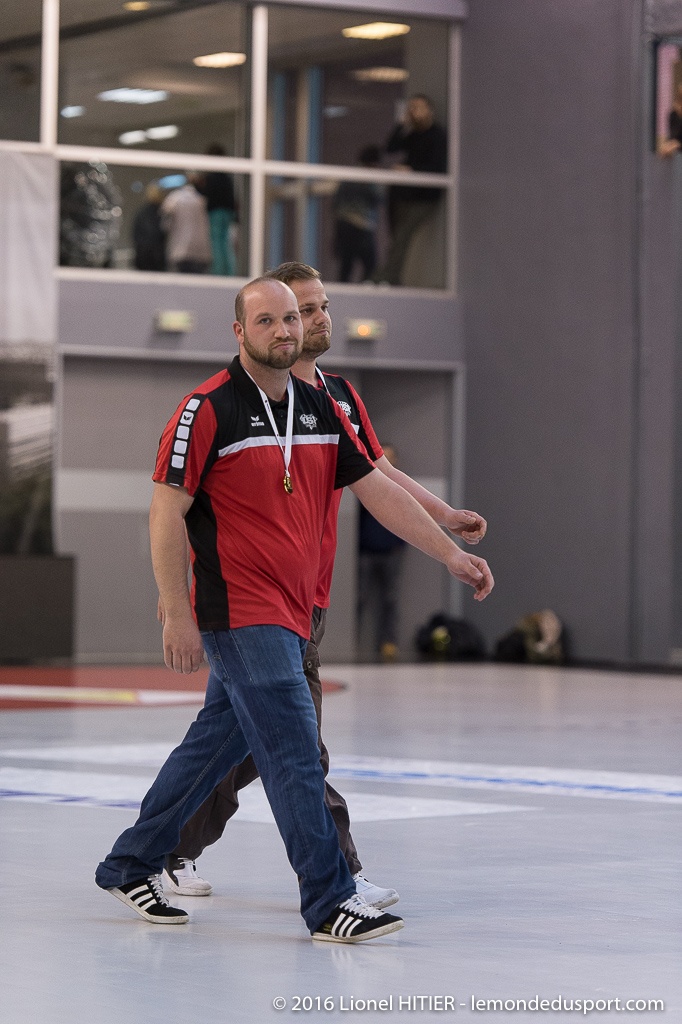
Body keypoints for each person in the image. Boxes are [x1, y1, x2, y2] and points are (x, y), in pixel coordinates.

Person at [94, 275, 493, 943]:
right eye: (268, 320)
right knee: (294, 753)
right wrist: (176, 611)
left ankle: (129, 863)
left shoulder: (319, 406)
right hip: (241, 611)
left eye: (292, 318)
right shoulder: (206, 409)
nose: (284, 330)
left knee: (213, 748)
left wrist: (448, 552)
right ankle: (329, 900)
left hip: (297, 608)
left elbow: (379, 489)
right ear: (239, 332)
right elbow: (166, 513)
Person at [376, 95, 447, 285]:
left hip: (424, 198)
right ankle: (391, 277)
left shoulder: (437, 136)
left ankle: (387, 278)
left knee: (402, 236)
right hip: (404, 195)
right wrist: (402, 124)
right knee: (396, 237)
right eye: (411, 108)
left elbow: (438, 167)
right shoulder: (412, 134)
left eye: (418, 108)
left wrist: (411, 170)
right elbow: (390, 148)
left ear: (429, 110)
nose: (414, 112)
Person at [357, 443, 406, 662]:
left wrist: (399, 544)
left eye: (390, 457)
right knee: (360, 597)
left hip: (391, 552)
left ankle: (388, 643)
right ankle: (352, 638)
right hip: (366, 551)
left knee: (390, 599)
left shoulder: (400, 488)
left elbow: (407, 517)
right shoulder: (364, 483)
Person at [333, 145, 382, 282]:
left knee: (346, 264)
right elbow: (376, 199)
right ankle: (367, 288)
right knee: (370, 265)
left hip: (344, 223)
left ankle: (344, 290)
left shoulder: (349, 175)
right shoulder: (369, 178)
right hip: (362, 225)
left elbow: (336, 202)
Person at [197, 144, 238, 275]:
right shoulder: (226, 177)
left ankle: (219, 272)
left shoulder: (211, 177)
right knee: (226, 243)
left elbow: (206, 193)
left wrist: (197, 185)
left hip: (216, 212)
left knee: (217, 243)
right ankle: (230, 272)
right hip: (228, 212)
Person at [160, 172, 212, 274]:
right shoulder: (201, 200)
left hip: (181, 251)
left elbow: (165, 223)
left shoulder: (174, 198)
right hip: (201, 252)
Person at [132, 182, 166, 272]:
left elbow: (136, 235)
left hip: (143, 257)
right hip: (156, 258)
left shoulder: (142, 213)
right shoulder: (162, 213)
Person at [659, 83, 682, 157]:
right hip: (676, 155)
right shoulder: (673, 114)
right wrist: (670, 144)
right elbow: (672, 135)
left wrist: (678, 144)